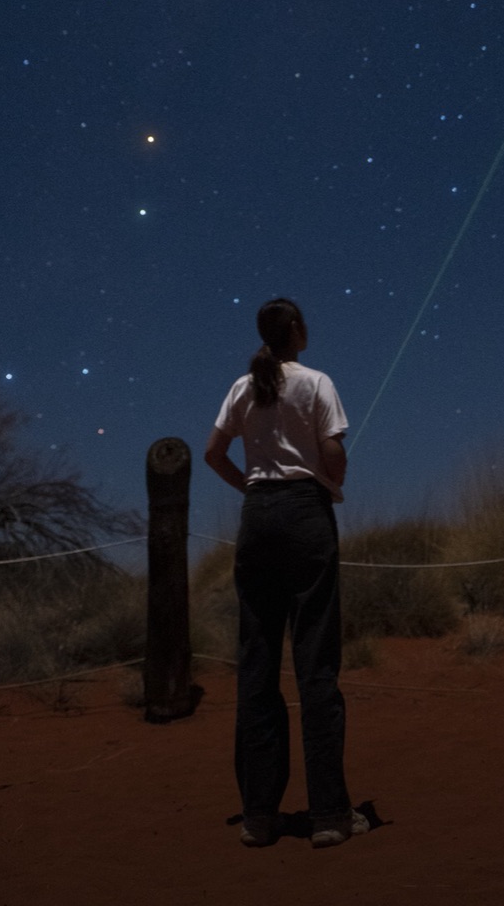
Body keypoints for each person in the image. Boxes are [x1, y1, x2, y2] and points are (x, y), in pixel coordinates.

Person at [205, 297, 369, 851]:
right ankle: (328, 814)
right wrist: (327, 482)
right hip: (305, 514)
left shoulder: (241, 387)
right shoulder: (317, 382)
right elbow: (334, 451)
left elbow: (212, 453)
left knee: (257, 664)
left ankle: (258, 816)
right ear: (295, 330)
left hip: (258, 517)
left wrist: (251, 489)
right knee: (316, 665)